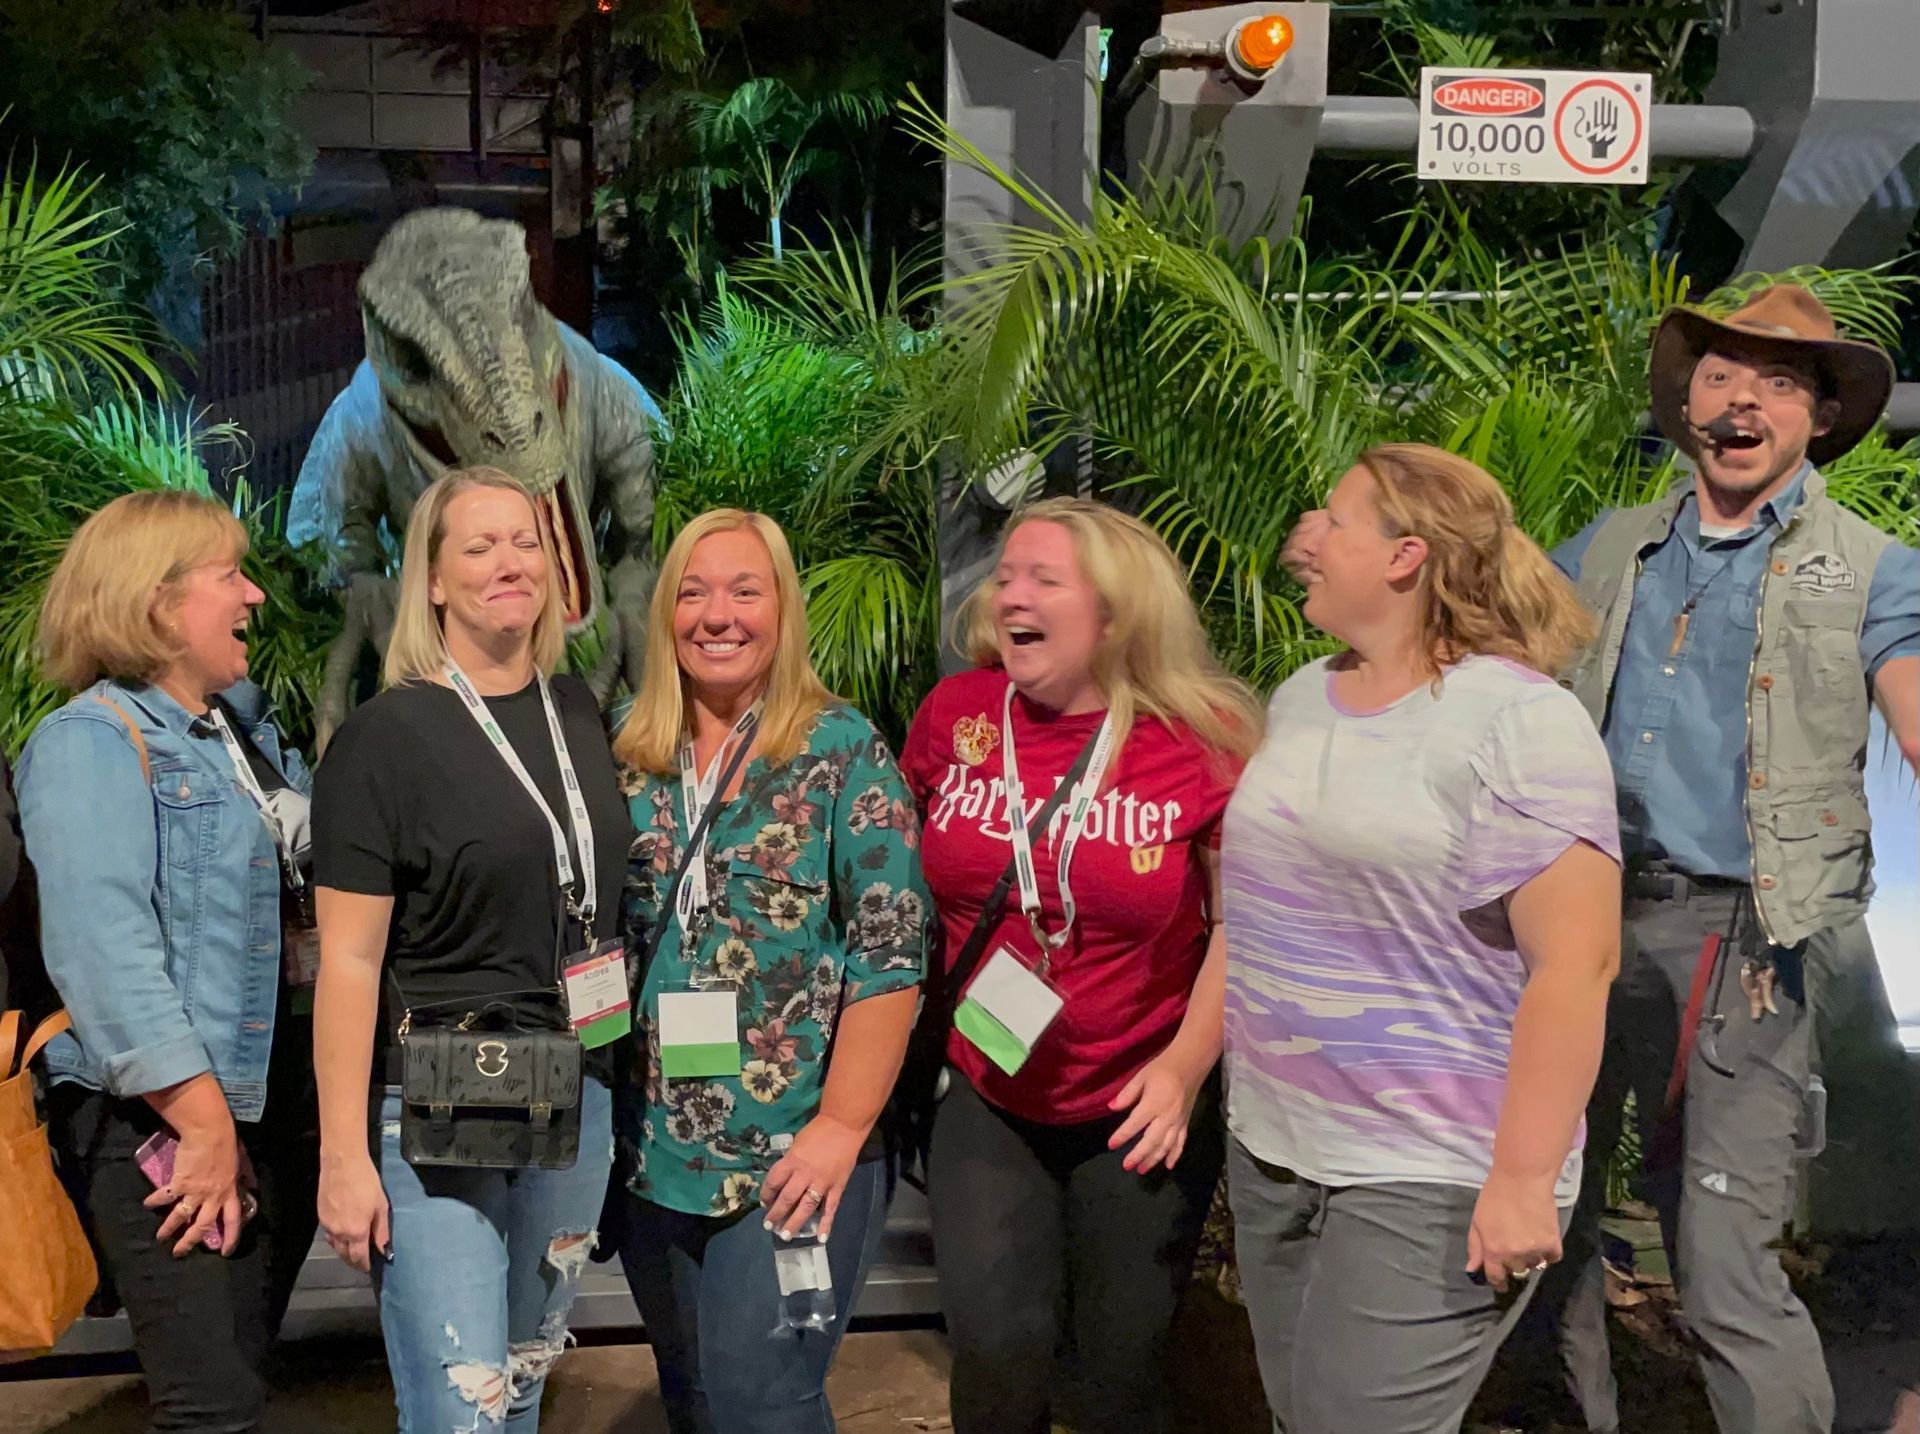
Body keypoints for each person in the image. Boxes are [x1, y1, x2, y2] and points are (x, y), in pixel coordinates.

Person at [1539, 284, 1920, 1434]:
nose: (1742, 399)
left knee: (1718, 1250)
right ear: (1686, 405)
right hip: (1577, 923)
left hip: (1747, 942)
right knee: (1544, 1223)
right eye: (1720, 376)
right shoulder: (1606, 546)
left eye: (1779, 381)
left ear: (1814, 418)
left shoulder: (1868, 567)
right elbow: (1501, 677)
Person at [1223, 445, 1623, 1434]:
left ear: (1406, 556)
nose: (1304, 540)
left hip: (1431, 1162)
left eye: (1333, 520)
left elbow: (1578, 964)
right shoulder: (1305, 693)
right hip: (1276, 1144)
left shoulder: (1521, 721)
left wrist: (1525, 1181)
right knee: (1303, 1417)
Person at [899, 497, 1260, 1434]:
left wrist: (1184, 1071)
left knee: (1118, 1374)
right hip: (987, 1085)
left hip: (1139, 1100)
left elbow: (1242, 926)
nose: (1009, 593)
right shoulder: (959, 713)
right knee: (996, 1351)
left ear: (1116, 609)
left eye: (1042, 579)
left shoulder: (1204, 737)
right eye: (1006, 574)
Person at [310, 468, 631, 1432]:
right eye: (479, 546)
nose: (509, 563)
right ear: (434, 581)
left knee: (524, 1384)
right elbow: (350, 964)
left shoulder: (579, 711)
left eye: (526, 542)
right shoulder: (383, 739)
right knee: (465, 1412)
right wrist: (343, 1157)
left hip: (577, 1087)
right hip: (439, 1099)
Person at [609, 507, 928, 1434]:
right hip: (653, 1156)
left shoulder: (841, 752)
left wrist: (839, 1125)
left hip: (795, 1152)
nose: (719, 614)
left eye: (746, 591)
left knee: (764, 1402)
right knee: (695, 1395)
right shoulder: (630, 757)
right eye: (695, 592)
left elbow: (891, 952)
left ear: (783, 611)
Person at [15, 491, 319, 1434]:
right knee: (210, 1407)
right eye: (229, 575)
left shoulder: (243, 735)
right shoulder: (91, 742)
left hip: (267, 1115)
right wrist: (203, 1123)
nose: (255, 596)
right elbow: (103, 954)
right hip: (163, 1126)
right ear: (156, 603)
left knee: (236, 1383)